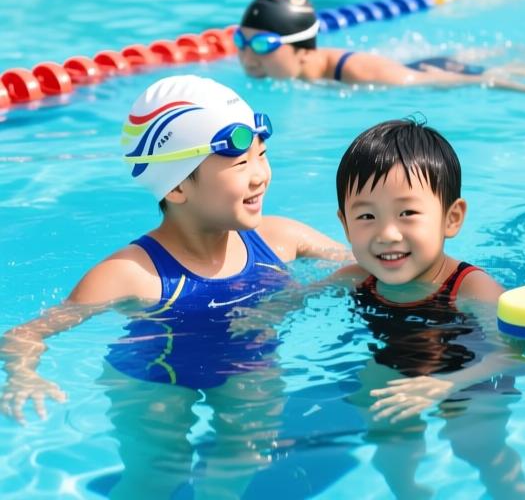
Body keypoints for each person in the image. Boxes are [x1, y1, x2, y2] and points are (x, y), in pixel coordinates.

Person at [0, 75, 349, 498]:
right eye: (241, 164)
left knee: (250, 450)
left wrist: (301, 295)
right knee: (158, 475)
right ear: (178, 186)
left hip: (247, 363)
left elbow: (366, 267)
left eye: (262, 155)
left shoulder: (280, 239)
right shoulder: (131, 273)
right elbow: (25, 334)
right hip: (154, 379)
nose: (260, 175)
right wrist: (22, 376)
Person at [328, 118, 525, 499]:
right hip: (400, 366)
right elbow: (293, 299)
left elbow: (518, 352)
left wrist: (445, 384)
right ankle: (409, 491)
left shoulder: (470, 288)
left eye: (407, 214)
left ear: (451, 218)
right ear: (345, 224)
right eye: (367, 216)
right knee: (385, 432)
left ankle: (510, 492)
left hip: (472, 372)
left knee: (477, 445)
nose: (388, 233)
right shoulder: (355, 278)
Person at [235, 0, 525, 100]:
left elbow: (471, 81)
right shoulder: (296, 72)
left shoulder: (363, 73)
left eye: (263, 45)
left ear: (303, 49)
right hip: (423, 61)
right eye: (241, 41)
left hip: (438, 71)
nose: (248, 57)